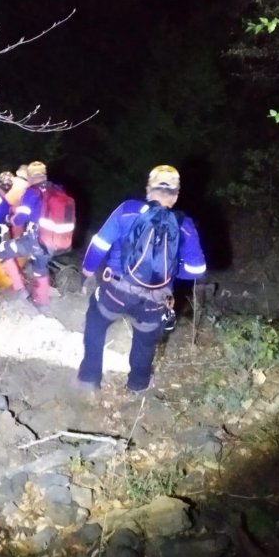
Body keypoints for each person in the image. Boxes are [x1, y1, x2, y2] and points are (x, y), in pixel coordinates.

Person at [76, 165, 206, 394]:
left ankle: (88, 379)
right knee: (145, 342)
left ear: (148, 189)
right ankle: (137, 386)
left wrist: (87, 270)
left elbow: (99, 245)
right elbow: (197, 270)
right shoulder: (184, 225)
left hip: (116, 291)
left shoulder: (128, 210)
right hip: (155, 299)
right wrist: (170, 272)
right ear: (175, 196)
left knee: (96, 321)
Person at [0, 161, 57, 308]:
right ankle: (42, 303)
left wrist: (9, 218)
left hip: (36, 239)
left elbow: (20, 218)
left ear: (31, 176)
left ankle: (20, 291)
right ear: (45, 174)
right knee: (41, 268)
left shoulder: (32, 191)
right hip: (56, 240)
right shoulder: (57, 189)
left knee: (3, 250)